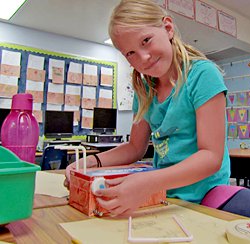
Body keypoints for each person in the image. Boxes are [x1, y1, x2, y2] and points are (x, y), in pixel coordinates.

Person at [65, 0, 230, 217]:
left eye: (146, 40)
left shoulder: (202, 75)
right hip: (163, 196)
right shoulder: (144, 88)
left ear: (168, 28)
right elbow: (135, 147)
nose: (142, 58)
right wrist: (90, 161)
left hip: (207, 198)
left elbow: (211, 157)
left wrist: (147, 182)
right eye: (130, 53)